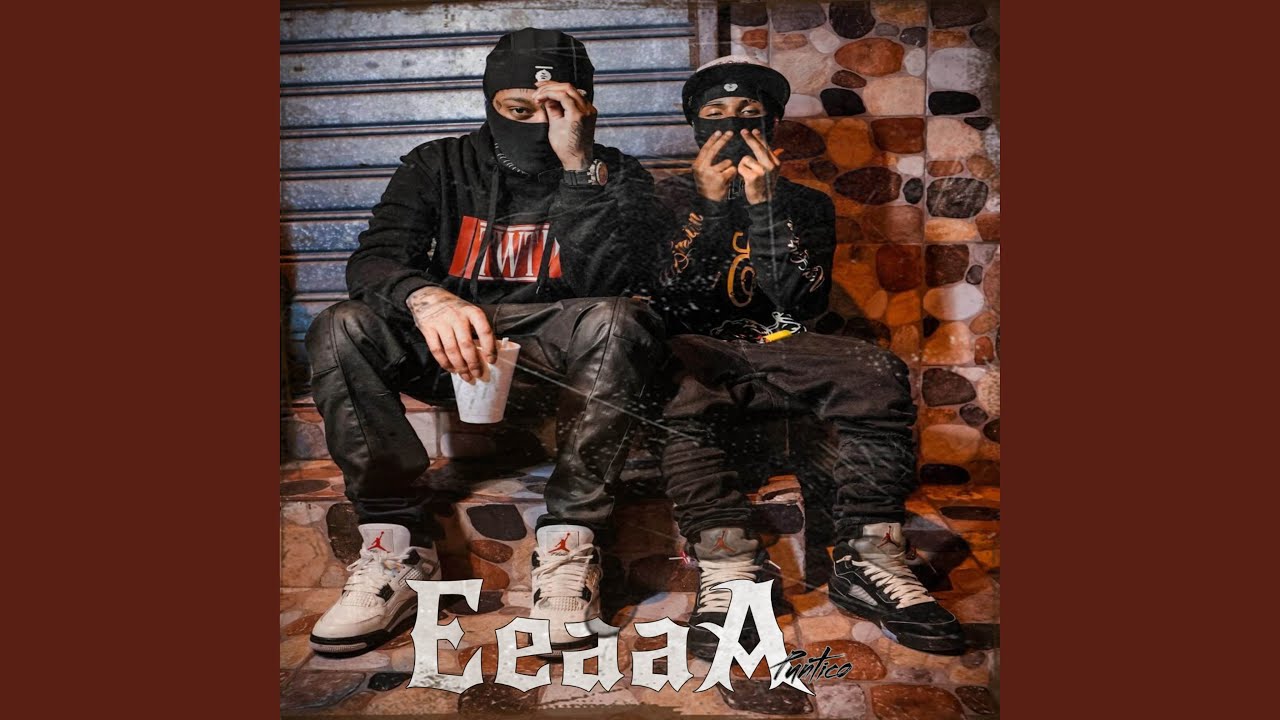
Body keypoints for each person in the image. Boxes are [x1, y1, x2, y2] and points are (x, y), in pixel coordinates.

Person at [304, 28, 667, 656]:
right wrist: (428, 298)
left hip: (558, 359)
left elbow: (614, 284)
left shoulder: (616, 172)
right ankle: (395, 545)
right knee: (341, 325)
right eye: (518, 109)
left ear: (586, 108)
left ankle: (569, 545)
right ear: (489, 101)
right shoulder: (437, 164)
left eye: (557, 109)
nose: (538, 125)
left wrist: (579, 171)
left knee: (619, 319)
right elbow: (374, 260)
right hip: (453, 351)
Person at [651, 56, 966, 657]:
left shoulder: (807, 203)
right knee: (675, 376)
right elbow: (671, 300)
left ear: (771, 125)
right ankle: (728, 563)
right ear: (694, 125)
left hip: (785, 345)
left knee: (876, 371)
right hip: (698, 349)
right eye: (714, 113)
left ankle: (869, 557)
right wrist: (709, 208)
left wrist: (766, 207)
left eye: (749, 113)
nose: (732, 124)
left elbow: (801, 301)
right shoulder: (664, 200)